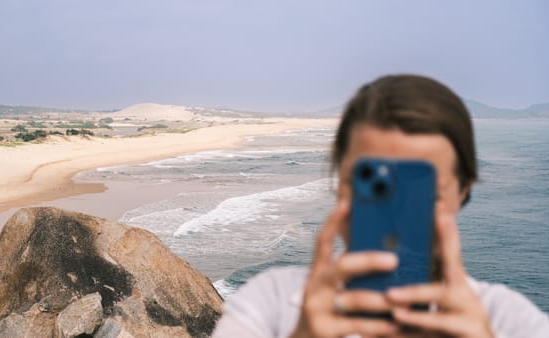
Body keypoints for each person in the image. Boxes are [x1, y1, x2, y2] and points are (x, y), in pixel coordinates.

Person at [212, 74, 549, 338]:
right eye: (374, 187)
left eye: (422, 191)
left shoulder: (510, 319)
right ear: (338, 184)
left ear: (463, 192)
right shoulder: (270, 301)